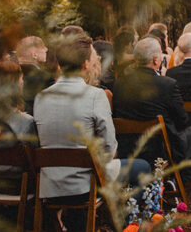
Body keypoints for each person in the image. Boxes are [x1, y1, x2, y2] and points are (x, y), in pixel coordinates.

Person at [34, 35, 149, 229]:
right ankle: (128, 225)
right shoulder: (95, 95)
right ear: (86, 64)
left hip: (50, 184)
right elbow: (110, 146)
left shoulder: (41, 97)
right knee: (142, 167)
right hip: (84, 184)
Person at [111, 37, 191, 175]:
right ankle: (186, 177)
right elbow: (182, 120)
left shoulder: (120, 84)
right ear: (155, 59)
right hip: (160, 149)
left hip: (128, 149)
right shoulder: (167, 84)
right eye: (160, 54)